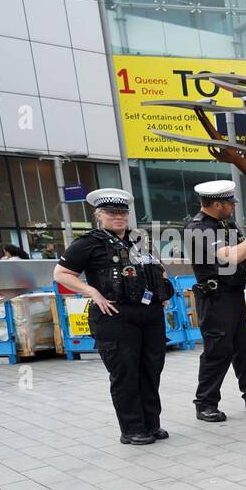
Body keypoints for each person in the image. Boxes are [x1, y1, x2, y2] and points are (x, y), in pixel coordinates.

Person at [53, 189, 174, 444]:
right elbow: (61, 273)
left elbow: (157, 267)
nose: (118, 217)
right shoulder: (88, 243)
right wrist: (92, 292)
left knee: (151, 370)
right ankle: (132, 429)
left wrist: (160, 289)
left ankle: (151, 424)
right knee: (125, 373)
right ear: (99, 215)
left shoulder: (140, 239)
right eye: (111, 213)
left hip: (149, 314)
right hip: (115, 315)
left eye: (122, 212)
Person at [184, 180, 246, 422]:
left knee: (244, 348)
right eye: (229, 203)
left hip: (233, 294)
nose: (233, 207)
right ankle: (205, 403)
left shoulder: (224, 224)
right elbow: (233, 256)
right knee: (217, 351)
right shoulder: (198, 228)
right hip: (215, 297)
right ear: (216, 204)